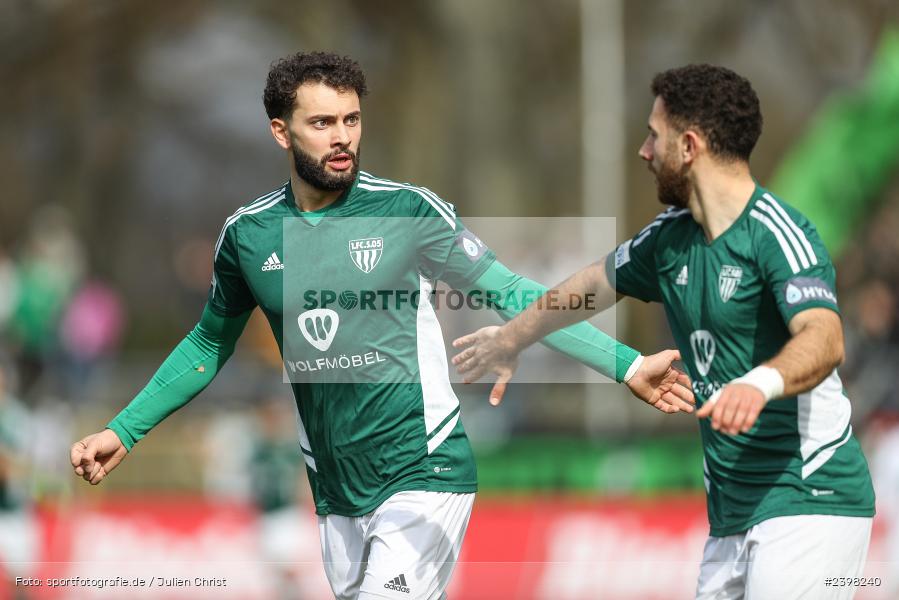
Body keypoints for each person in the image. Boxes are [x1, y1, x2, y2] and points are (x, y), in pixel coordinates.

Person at [69, 52, 693, 600]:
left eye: (352, 119)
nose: (342, 137)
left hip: (424, 470)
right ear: (281, 132)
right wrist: (125, 428)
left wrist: (628, 364)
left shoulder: (406, 211)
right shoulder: (248, 236)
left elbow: (511, 293)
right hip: (337, 489)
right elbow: (209, 342)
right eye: (322, 123)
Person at [452, 64, 875, 600]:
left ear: (689, 146)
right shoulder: (668, 239)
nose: (644, 151)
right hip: (731, 515)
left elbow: (824, 338)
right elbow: (584, 290)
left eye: (654, 136)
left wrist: (759, 384)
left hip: (811, 503)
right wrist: (511, 338)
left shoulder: (777, 233)